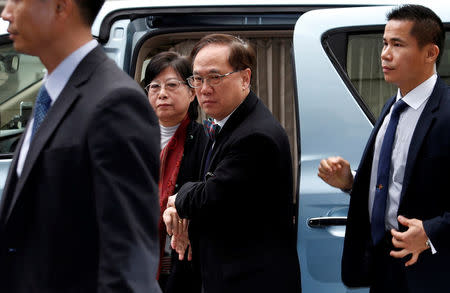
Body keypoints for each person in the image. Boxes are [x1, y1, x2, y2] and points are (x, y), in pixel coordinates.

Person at [0, 0, 161, 292]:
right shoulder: (51, 94)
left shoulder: (115, 103)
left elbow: (128, 264)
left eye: (17, 1)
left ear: (61, 7)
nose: (6, 12)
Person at [318, 4, 449, 293]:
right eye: (385, 43)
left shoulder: (447, 112)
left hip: (431, 271)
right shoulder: (392, 107)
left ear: (430, 53)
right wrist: (351, 183)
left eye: (397, 44)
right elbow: (394, 181)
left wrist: (430, 233)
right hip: (383, 265)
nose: (385, 54)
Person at [163, 34, 301, 293]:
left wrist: (178, 198)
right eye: (198, 79)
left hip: (252, 280)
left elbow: (212, 195)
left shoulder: (255, 136)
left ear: (245, 78)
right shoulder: (226, 123)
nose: (204, 88)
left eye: (215, 77)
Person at [143, 51, 206, 293]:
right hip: (139, 258)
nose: (162, 94)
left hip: (183, 261)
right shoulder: (133, 140)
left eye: (171, 85)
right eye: (154, 86)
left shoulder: (204, 141)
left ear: (192, 92)